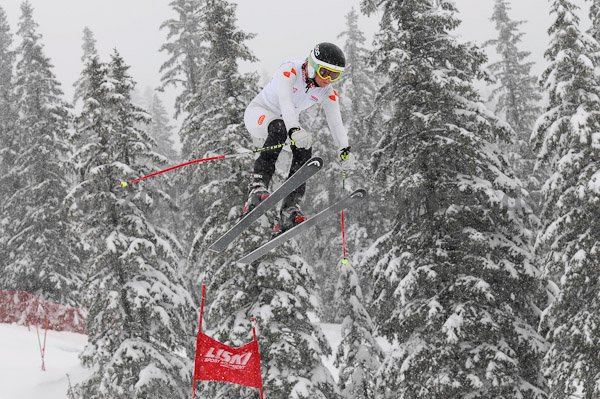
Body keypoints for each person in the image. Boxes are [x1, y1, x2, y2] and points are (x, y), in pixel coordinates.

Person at [243, 42, 356, 232]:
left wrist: (344, 150)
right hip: (259, 114)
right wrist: (294, 130)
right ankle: (258, 185)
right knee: (279, 128)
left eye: (335, 75)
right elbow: (285, 101)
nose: (328, 79)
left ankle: (290, 208)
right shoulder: (290, 71)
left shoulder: (327, 91)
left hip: (284, 124)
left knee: (304, 146)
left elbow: (336, 123)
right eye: (325, 72)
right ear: (312, 65)